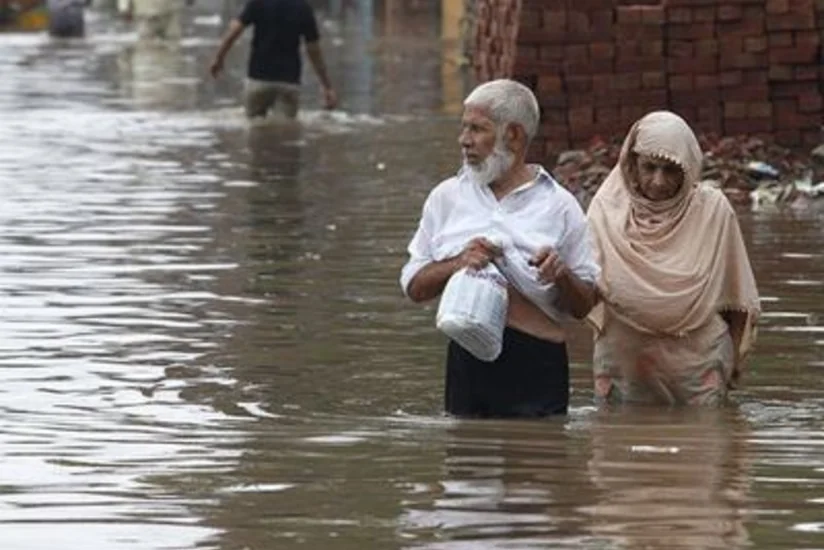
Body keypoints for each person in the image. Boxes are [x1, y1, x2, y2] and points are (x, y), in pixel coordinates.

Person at [399, 79, 599, 419]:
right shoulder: (446, 197)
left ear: (514, 136)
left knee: (538, 464)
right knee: (466, 458)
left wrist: (561, 274)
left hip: (538, 361)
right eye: (464, 128)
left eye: (477, 129)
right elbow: (414, 287)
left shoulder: (560, 206)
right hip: (466, 361)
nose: (464, 140)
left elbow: (584, 307)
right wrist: (458, 263)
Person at [586, 110, 761, 407]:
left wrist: (732, 364)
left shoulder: (712, 211)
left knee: (703, 447)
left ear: (689, 169)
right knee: (615, 447)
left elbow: (735, 297)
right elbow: (584, 294)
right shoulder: (605, 211)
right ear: (632, 165)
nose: (657, 181)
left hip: (698, 366)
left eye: (670, 170)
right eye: (649, 168)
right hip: (624, 366)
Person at [209, 0, 337, 119]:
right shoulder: (303, 8)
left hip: (258, 79)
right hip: (289, 82)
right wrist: (326, 86)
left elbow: (234, 32)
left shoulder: (258, 2)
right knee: (286, 134)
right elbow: (313, 50)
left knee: (254, 133)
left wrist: (218, 58)